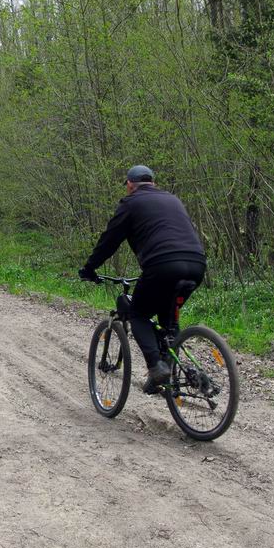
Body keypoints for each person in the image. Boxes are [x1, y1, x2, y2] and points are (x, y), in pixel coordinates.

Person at [79, 165, 206, 394]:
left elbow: (109, 240)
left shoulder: (131, 203)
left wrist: (89, 268)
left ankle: (156, 367)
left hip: (162, 265)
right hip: (196, 264)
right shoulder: (172, 200)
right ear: (153, 183)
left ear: (129, 185)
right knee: (168, 322)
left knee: (137, 313)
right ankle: (171, 373)